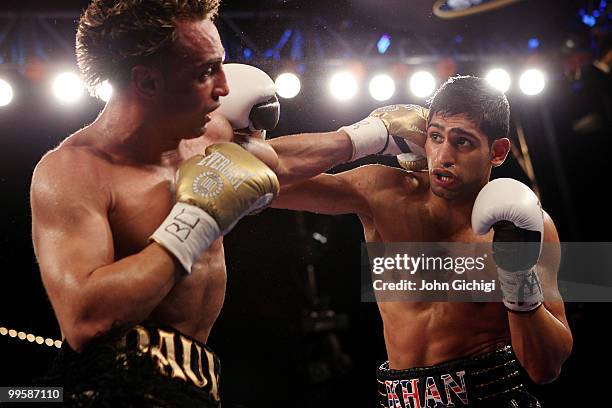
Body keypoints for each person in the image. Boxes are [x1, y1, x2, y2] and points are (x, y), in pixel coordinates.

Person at [30, 1, 428, 405]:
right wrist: (196, 220)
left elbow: (271, 162)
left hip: (199, 381)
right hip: (111, 391)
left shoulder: (203, 133)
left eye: (220, 64)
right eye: (205, 71)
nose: (224, 87)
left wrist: (372, 134)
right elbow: (85, 319)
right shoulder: (73, 173)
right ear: (147, 83)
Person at [272, 76, 573, 407]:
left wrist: (518, 282)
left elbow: (546, 368)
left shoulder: (525, 226)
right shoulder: (384, 193)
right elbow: (263, 178)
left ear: (498, 151)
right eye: (435, 136)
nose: (443, 156)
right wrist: (359, 138)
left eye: (463, 142)